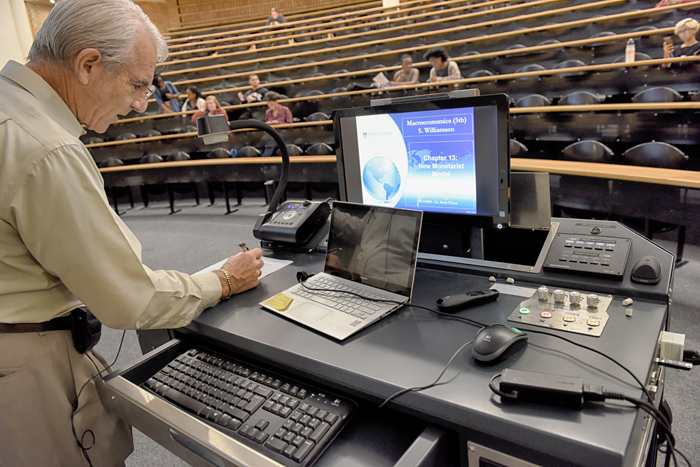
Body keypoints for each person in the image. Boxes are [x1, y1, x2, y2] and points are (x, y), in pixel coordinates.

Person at [0, 1, 264, 465]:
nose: (142, 102)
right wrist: (222, 280)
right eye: (138, 84)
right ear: (87, 64)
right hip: (26, 373)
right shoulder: (46, 147)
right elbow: (129, 298)